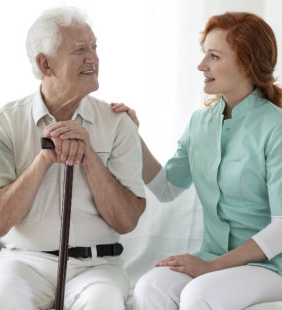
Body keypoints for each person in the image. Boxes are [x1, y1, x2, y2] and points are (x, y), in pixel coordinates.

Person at [111, 11, 282, 309]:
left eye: (214, 56)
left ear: (246, 62)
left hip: (270, 265)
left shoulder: (275, 127)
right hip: (213, 257)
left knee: (198, 295)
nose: (201, 66)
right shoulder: (199, 123)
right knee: (150, 285)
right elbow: (167, 189)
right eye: (205, 55)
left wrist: (214, 268)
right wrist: (131, 136)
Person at [0, 6, 146, 310]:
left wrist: (90, 158)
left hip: (97, 268)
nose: (93, 58)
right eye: (80, 50)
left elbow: (127, 220)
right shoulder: (5, 123)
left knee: (103, 303)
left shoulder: (118, 122)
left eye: (94, 47)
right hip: (24, 263)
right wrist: (43, 161)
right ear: (45, 63)